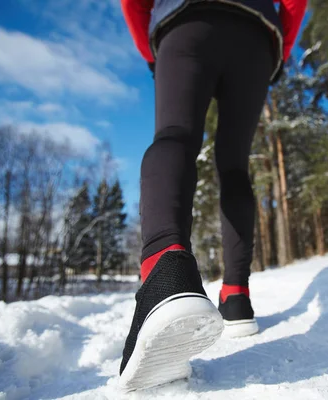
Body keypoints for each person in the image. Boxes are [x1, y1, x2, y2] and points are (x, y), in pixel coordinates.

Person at [119, 0, 307, 391]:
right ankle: (236, 296)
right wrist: (280, 46)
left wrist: (149, 47)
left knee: (175, 135)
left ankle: (164, 273)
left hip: (185, 20)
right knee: (235, 165)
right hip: (257, 35)